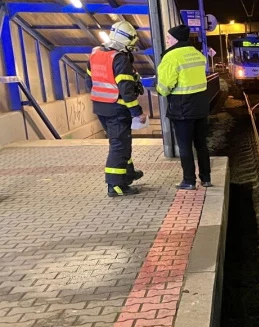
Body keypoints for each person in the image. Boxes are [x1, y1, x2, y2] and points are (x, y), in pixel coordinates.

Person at [87, 20, 146, 197]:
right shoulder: (119, 58)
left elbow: (88, 82)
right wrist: (137, 112)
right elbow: (126, 89)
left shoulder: (96, 54)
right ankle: (116, 185)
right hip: (117, 108)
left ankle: (128, 173)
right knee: (119, 145)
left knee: (121, 143)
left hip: (100, 107)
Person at [157, 24, 211, 190]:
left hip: (182, 108)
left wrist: (159, 90)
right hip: (201, 106)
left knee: (185, 146)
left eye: (168, 38)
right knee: (201, 144)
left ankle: (189, 180)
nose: (167, 40)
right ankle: (206, 178)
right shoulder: (198, 54)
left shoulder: (171, 57)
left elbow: (165, 86)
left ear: (175, 39)